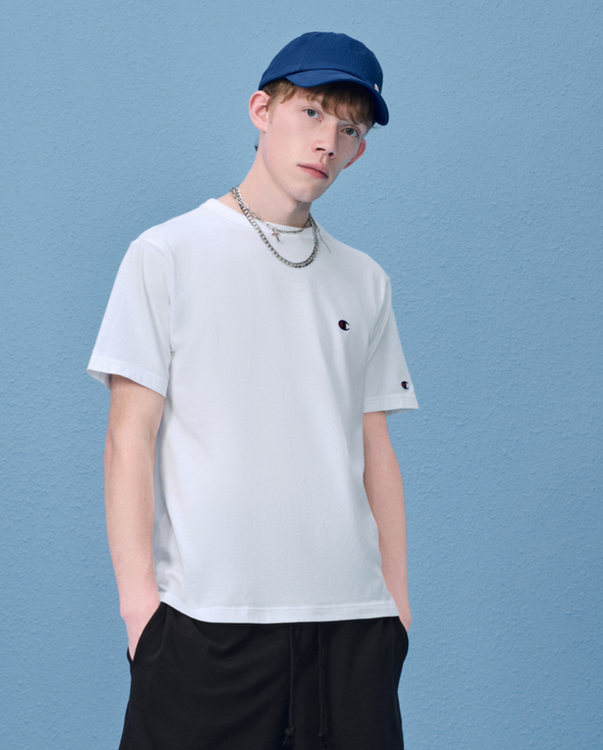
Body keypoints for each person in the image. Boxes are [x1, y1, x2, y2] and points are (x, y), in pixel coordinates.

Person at [88, 31, 418, 750]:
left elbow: (376, 448)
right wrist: (141, 613)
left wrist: (396, 607)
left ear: (360, 151)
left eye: (349, 129)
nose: (327, 141)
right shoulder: (166, 253)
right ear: (261, 111)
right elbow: (128, 437)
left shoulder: (365, 279)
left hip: (353, 625)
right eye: (311, 113)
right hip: (207, 623)